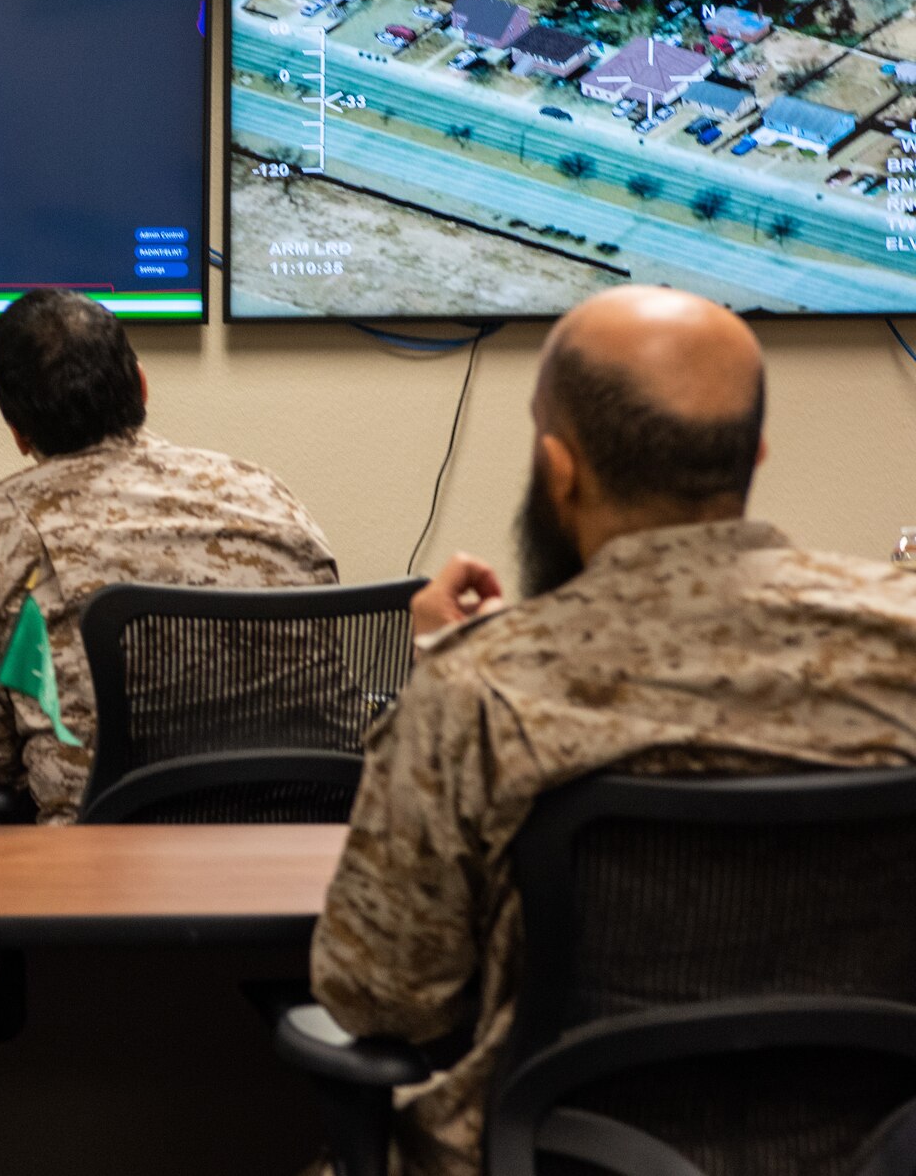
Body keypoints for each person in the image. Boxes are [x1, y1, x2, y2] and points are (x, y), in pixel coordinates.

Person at [312, 285, 916, 1176]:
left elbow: (381, 996)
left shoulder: (480, 684)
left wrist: (443, 669)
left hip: (557, 1155)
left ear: (560, 469)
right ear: (755, 454)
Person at [0, 291, 339, 823]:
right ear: (142, 386)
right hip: (302, 860)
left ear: (16, 430)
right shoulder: (265, 492)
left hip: (104, 882)